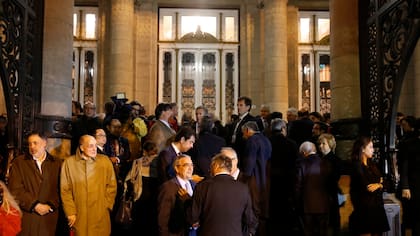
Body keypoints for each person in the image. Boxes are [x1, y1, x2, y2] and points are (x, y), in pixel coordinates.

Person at [60, 135, 117, 236]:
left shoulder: (104, 161)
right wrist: (70, 212)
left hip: (100, 214)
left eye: (95, 145)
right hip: (79, 214)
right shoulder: (69, 163)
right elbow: (65, 190)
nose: (94, 149)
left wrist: (107, 205)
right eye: (91, 146)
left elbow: (112, 185)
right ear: (82, 147)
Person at [8, 131, 62, 236]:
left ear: (45, 143)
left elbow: (61, 188)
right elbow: (15, 189)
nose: (32, 146)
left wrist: (50, 205)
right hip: (28, 217)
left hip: (49, 218)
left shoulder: (57, 163)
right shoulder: (19, 163)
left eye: (35, 143)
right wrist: (35, 205)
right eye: (30, 144)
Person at [190, 153, 258, 236]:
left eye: (211, 166)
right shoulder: (243, 188)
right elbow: (250, 218)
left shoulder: (202, 187)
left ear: (216, 166)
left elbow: (193, 217)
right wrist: (250, 232)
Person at [349, 136, 389, 236]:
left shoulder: (372, 165)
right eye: (370, 147)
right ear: (362, 149)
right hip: (365, 208)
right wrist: (380, 184)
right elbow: (367, 187)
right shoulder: (357, 166)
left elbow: (386, 183)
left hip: (377, 206)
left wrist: (379, 184)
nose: (373, 150)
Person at [241, 121, 272, 236]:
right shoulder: (266, 140)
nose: (243, 135)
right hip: (266, 179)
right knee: (263, 209)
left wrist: (244, 179)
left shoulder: (251, 141)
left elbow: (249, 163)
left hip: (254, 178)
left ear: (248, 131)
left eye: (243, 132)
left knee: (254, 208)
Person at [295, 141, 330, 236]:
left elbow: (298, 186)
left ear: (303, 153)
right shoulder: (325, 163)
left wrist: (296, 203)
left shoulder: (302, 164)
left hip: (307, 206)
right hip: (323, 206)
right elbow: (330, 183)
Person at [125, 141, 160, 236]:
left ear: (144, 151)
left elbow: (129, 180)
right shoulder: (161, 162)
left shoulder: (137, 162)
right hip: (155, 199)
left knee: (139, 226)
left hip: (139, 198)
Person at [157, 154, 196, 236]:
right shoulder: (168, 187)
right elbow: (162, 218)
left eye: (192, 165)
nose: (190, 168)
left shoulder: (194, 185)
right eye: (186, 165)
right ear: (177, 168)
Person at [318, 133, 342, 236]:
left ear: (330, 145)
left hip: (330, 194)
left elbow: (333, 179)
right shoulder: (320, 159)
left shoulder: (335, 161)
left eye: (324, 143)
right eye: (320, 143)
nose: (320, 146)